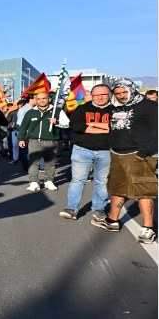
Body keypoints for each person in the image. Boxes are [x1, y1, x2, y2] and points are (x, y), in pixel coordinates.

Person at [92, 79, 158, 243]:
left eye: (124, 92)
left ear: (132, 89)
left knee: (143, 190)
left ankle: (148, 229)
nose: (121, 96)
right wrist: (112, 146)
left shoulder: (148, 106)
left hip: (139, 155)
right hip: (117, 154)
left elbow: (156, 131)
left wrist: (143, 153)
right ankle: (112, 221)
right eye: (118, 93)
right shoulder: (116, 107)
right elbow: (115, 129)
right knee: (117, 188)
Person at [59, 85, 112, 221]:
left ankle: (99, 208)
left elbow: (116, 127)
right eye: (96, 95)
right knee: (77, 180)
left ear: (109, 94)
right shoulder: (82, 108)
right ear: (92, 96)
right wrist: (105, 127)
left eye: (104, 94)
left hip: (106, 151)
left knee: (102, 182)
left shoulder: (116, 111)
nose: (100, 97)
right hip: (82, 150)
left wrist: (91, 126)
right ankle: (71, 208)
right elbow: (77, 126)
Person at [18, 91, 64, 192]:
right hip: (34, 141)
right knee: (33, 162)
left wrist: (57, 122)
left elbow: (67, 124)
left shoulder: (57, 110)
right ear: (36, 100)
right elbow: (23, 126)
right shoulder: (30, 112)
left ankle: (49, 181)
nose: (41, 101)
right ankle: (34, 182)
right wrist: (21, 139)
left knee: (50, 163)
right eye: (38, 99)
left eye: (43, 98)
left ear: (49, 99)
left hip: (51, 141)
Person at [17, 93, 37, 172]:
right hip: (26, 133)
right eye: (36, 98)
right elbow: (20, 123)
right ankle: (26, 166)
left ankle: (34, 165)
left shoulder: (36, 109)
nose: (38, 100)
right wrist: (21, 135)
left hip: (35, 133)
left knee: (35, 150)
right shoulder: (23, 109)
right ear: (31, 99)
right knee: (24, 150)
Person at [6, 100, 24, 165]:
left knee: (24, 145)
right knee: (15, 145)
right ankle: (15, 158)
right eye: (21, 105)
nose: (22, 106)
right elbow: (7, 121)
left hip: (24, 131)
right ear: (18, 105)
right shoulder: (13, 112)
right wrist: (11, 127)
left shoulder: (27, 112)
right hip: (15, 130)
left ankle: (24, 158)